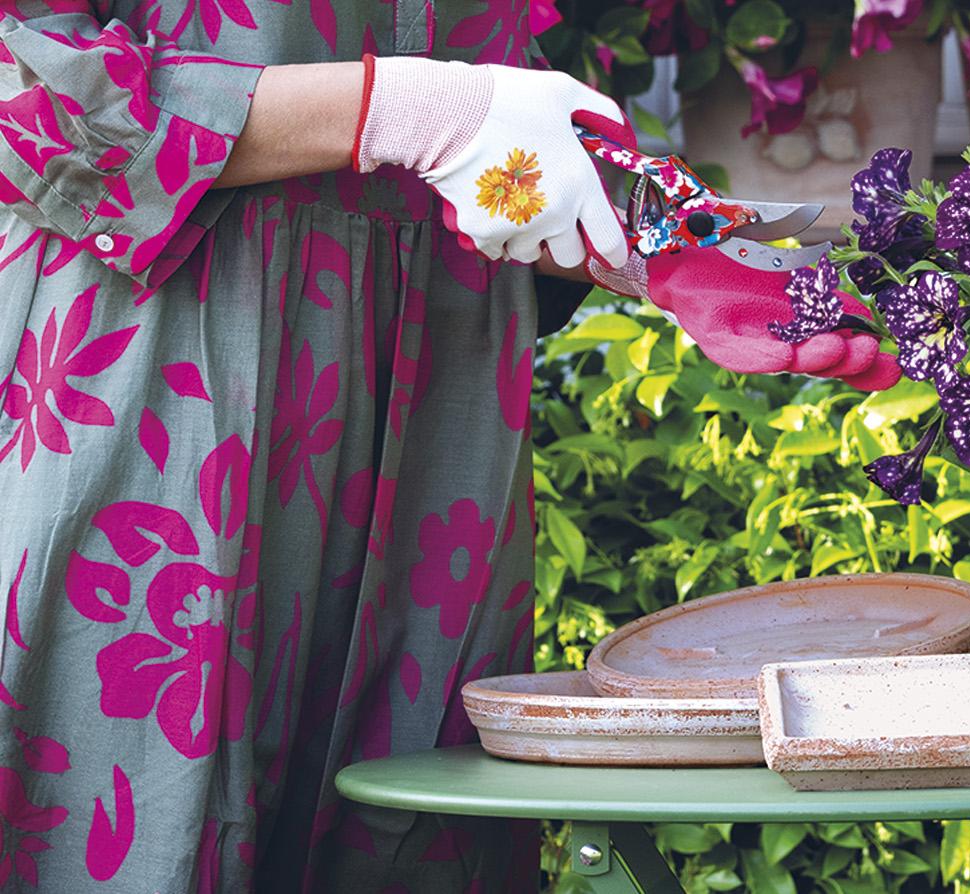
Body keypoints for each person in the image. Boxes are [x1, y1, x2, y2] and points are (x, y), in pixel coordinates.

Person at [0, 0, 631, 888]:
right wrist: (410, 109)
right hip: (163, 395)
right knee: (131, 825)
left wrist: (674, 248)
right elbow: (32, 89)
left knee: (408, 835)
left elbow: (496, 175)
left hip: (440, 430)